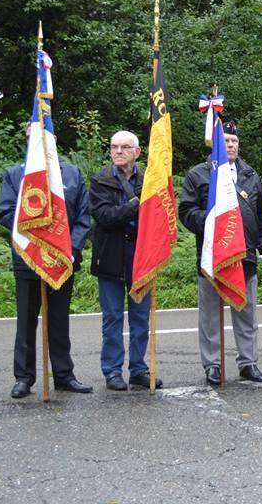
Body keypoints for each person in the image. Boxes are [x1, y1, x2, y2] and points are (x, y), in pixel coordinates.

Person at [0, 124, 92, 398]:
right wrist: (36, 230)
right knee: (26, 322)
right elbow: (5, 213)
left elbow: (83, 219)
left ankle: (63, 375)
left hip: (62, 262)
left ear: (53, 141)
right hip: (28, 259)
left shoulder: (72, 174)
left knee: (59, 321)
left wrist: (68, 249)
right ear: (27, 141)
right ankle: (24, 378)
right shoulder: (16, 175)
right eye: (31, 138)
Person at [179, 120, 262, 386]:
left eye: (234, 141)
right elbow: (185, 212)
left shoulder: (250, 174)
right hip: (212, 257)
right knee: (210, 315)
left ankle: (248, 362)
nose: (230, 145)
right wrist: (211, 221)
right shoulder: (198, 174)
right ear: (215, 144)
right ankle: (212, 364)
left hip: (245, 256)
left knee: (246, 312)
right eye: (225, 141)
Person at [90, 130, 160, 390]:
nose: (118, 151)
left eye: (125, 147)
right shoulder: (101, 180)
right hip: (110, 256)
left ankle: (139, 369)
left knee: (141, 317)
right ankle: (112, 370)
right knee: (113, 318)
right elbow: (105, 216)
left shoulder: (150, 180)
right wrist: (136, 205)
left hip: (142, 257)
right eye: (114, 147)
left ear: (137, 152)